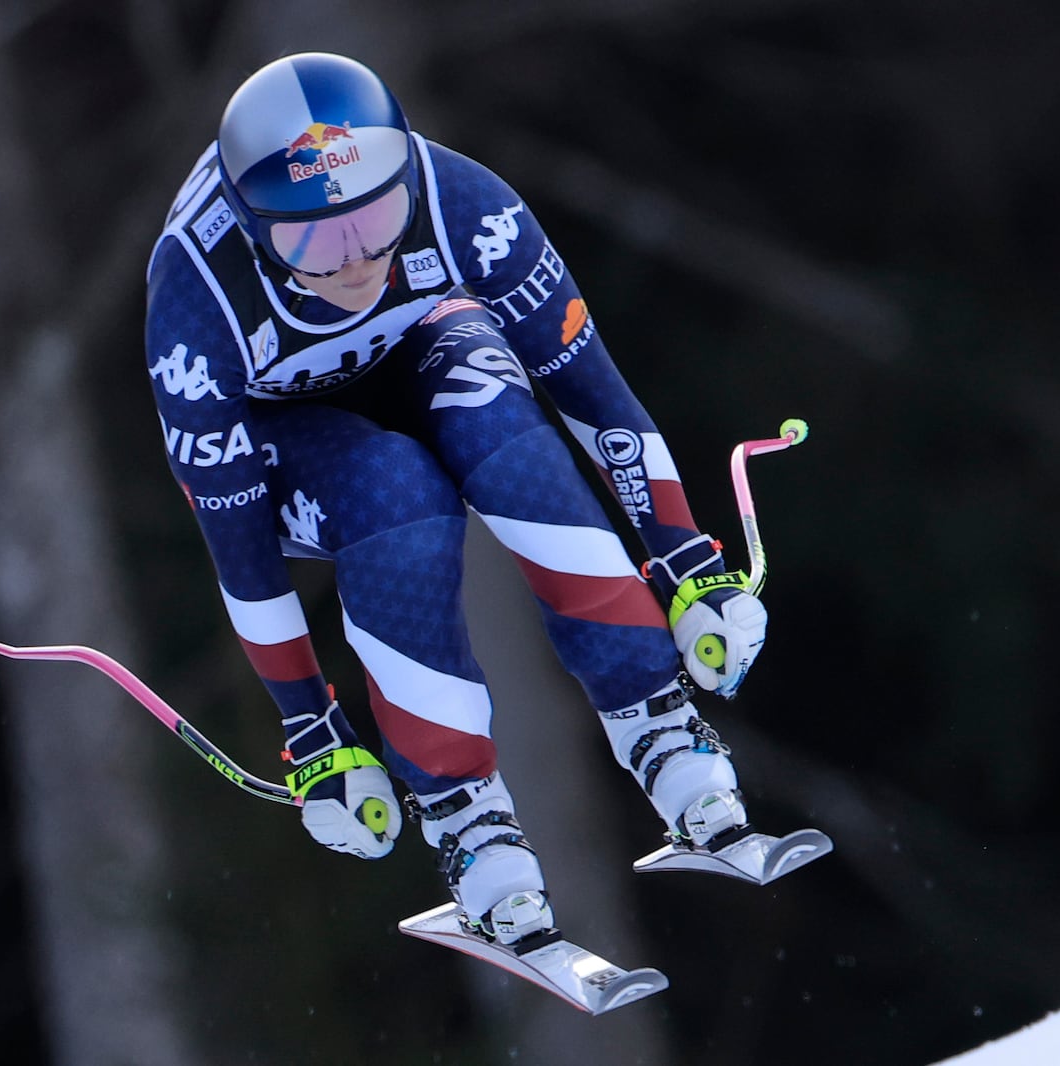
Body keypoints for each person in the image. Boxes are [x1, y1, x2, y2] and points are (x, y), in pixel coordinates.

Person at [144, 52, 770, 945]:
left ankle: (661, 724)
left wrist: (687, 563)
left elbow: (599, 401)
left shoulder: (466, 205)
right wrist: (315, 734)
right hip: (288, 430)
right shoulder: (195, 306)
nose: (357, 257)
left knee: (508, 437)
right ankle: (466, 816)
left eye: (377, 216)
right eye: (314, 241)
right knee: (393, 493)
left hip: (424, 345)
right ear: (254, 231)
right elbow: (243, 559)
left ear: (406, 168)